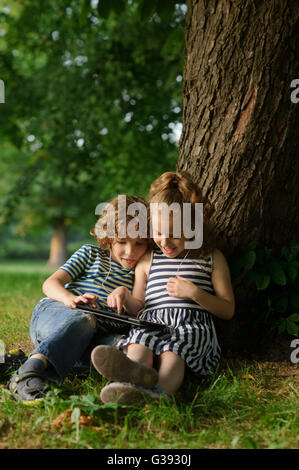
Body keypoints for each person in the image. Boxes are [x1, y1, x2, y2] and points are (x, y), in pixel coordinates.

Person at [91, 171, 235, 404]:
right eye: (157, 233)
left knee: (173, 354)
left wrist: (195, 294)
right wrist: (124, 296)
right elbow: (139, 307)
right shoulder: (149, 259)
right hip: (152, 322)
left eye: (174, 235)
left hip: (190, 326)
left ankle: (159, 393)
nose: (165, 242)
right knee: (139, 343)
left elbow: (228, 309)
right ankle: (128, 382)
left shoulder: (210, 258)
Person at [8, 195, 153, 402]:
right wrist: (70, 298)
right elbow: (50, 284)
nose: (131, 251)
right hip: (57, 314)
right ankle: (27, 373)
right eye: (122, 241)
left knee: (126, 349)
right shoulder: (90, 254)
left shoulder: (140, 271)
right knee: (85, 319)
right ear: (109, 236)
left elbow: (137, 310)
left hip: (92, 337)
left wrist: (125, 294)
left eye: (140, 243)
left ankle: (30, 361)